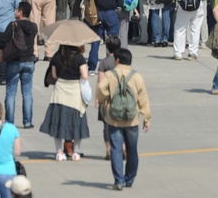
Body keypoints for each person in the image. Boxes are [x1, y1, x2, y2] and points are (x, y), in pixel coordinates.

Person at [96, 48, 151, 191]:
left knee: (116, 149)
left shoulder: (109, 75)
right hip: (132, 120)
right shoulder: (137, 77)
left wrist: (105, 100)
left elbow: (100, 89)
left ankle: (118, 180)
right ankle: (129, 179)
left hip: (114, 119)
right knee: (132, 150)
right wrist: (146, 118)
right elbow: (143, 99)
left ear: (118, 60)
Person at [40, 44, 90, 161]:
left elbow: (54, 75)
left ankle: (59, 152)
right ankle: (76, 152)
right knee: (77, 122)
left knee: (58, 121)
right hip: (75, 91)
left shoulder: (57, 57)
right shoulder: (79, 58)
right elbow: (85, 75)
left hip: (60, 90)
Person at [2, 2, 38, 129]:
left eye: (16, 9)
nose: (15, 11)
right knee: (27, 93)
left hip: (14, 61)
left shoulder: (13, 25)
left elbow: (3, 41)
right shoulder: (34, 27)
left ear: (21, 12)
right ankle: (27, 121)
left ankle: (9, 122)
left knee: (11, 93)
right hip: (29, 61)